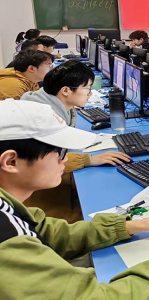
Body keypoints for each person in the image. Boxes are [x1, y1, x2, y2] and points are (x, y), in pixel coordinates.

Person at [0, 99, 149, 299]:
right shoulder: (7, 243)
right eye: (60, 153)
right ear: (10, 162)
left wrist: (137, 225)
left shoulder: (9, 209)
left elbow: (52, 234)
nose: (65, 160)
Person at [20, 61, 131, 220]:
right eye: (87, 88)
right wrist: (88, 160)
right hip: (43, 205)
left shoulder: (55, 106)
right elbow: (41, 162)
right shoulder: (43, 120)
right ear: (65, 90)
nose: (90, 94)